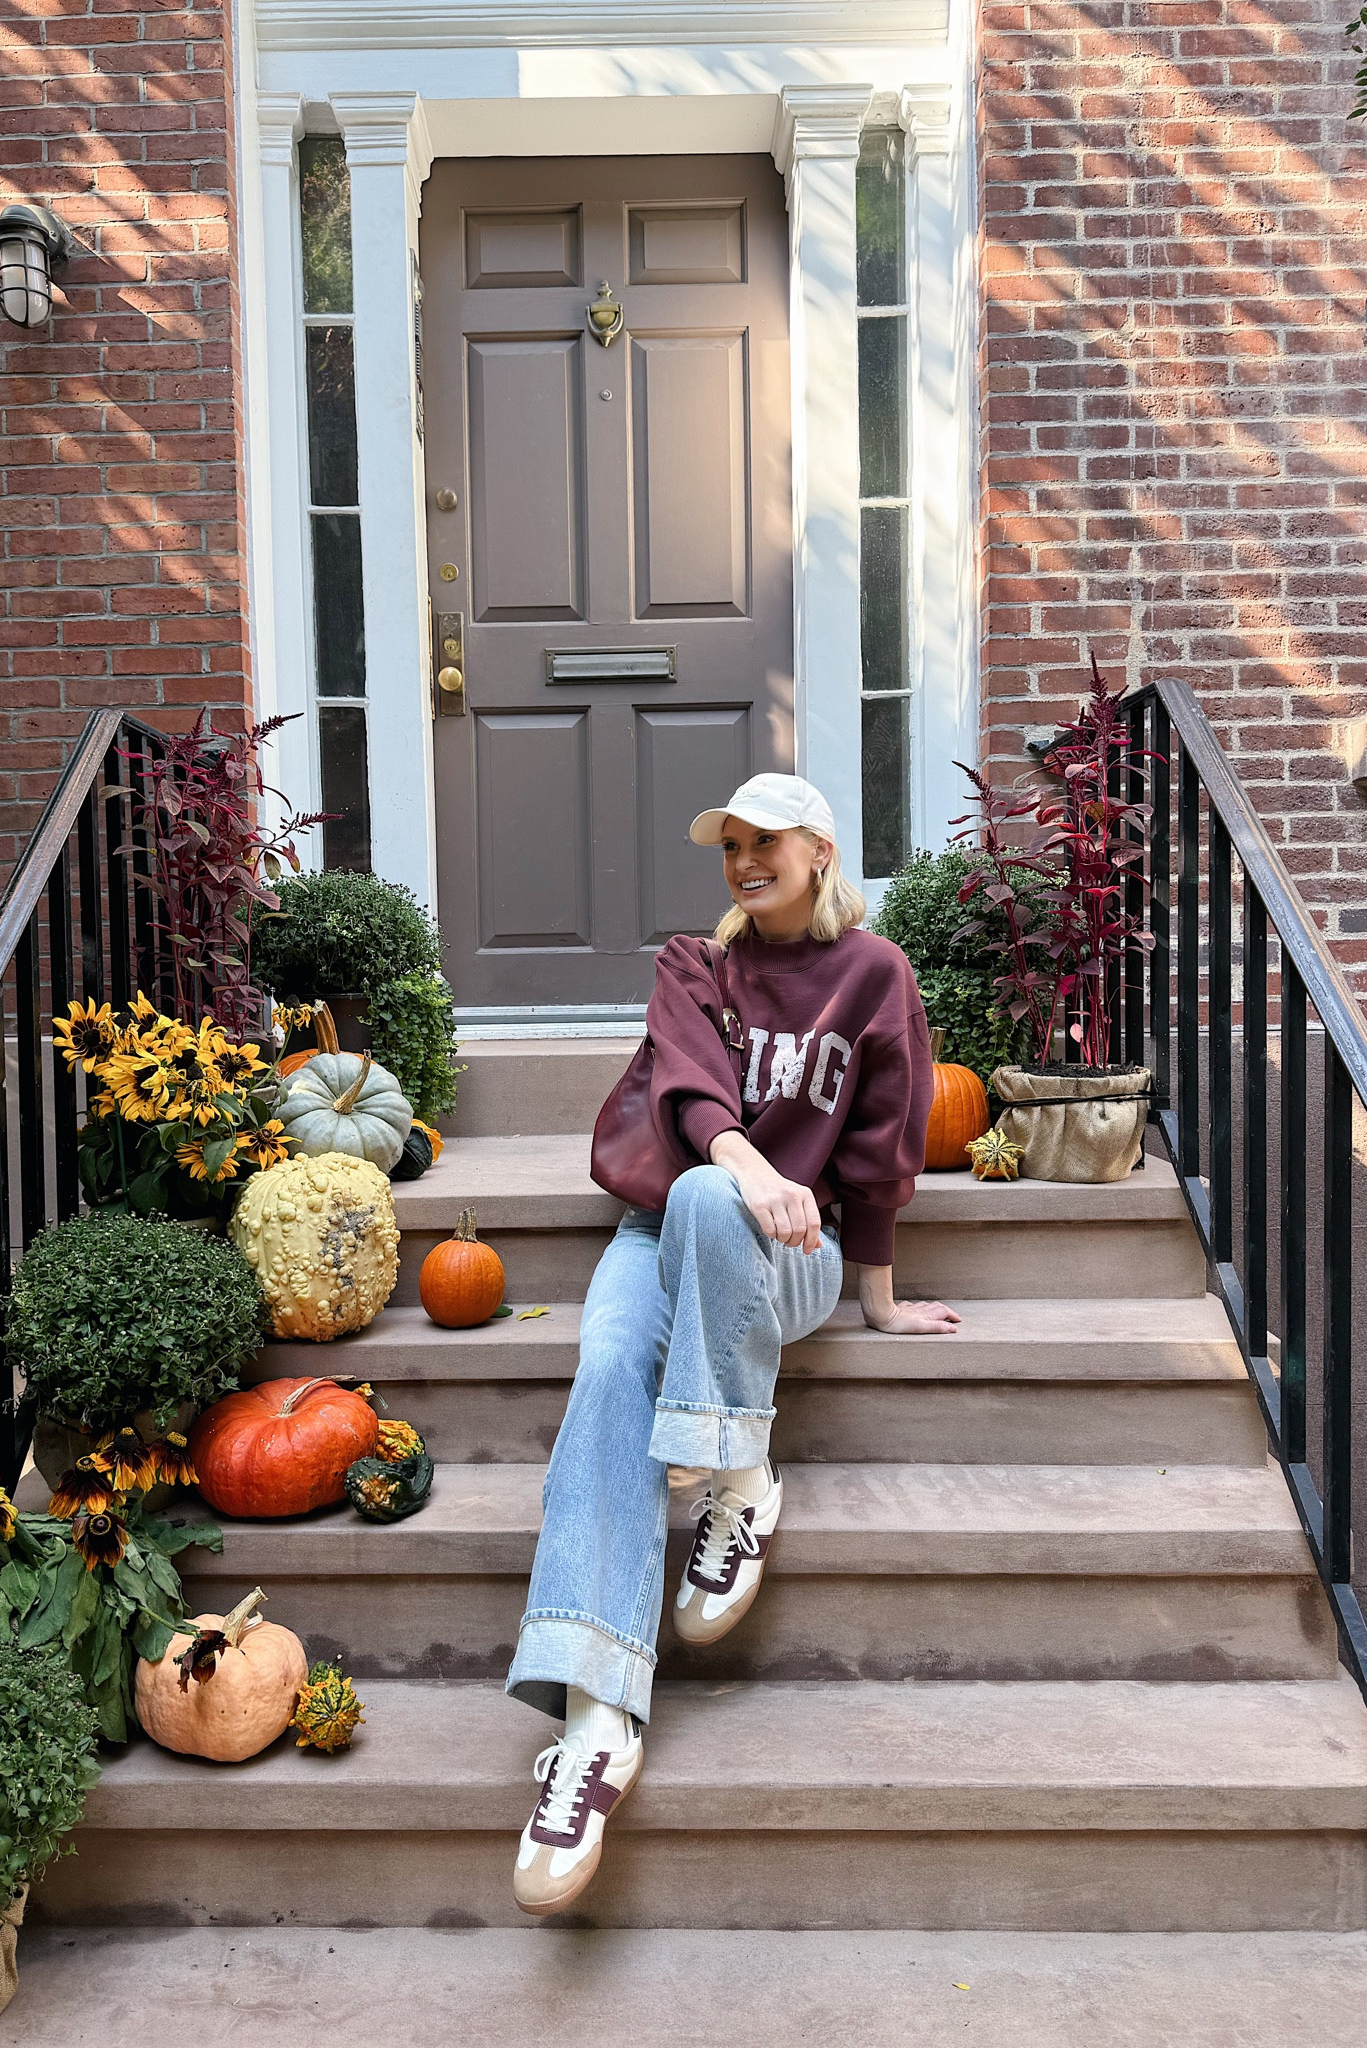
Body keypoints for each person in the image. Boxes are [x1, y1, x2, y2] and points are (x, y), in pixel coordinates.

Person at [505, 772, 960, 1916]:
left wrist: (881, 1296)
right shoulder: (693, 965)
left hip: (786, 1255)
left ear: (819, 848)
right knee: (610, 1360)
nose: (746, 860)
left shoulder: (876, 974)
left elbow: (880, 1150)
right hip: (662, 1226)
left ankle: (734, 1471)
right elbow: (694, 1099)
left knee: (721, 1208)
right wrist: (744, 1161)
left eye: (767, 842)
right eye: (731, 845)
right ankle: (595, 1729)